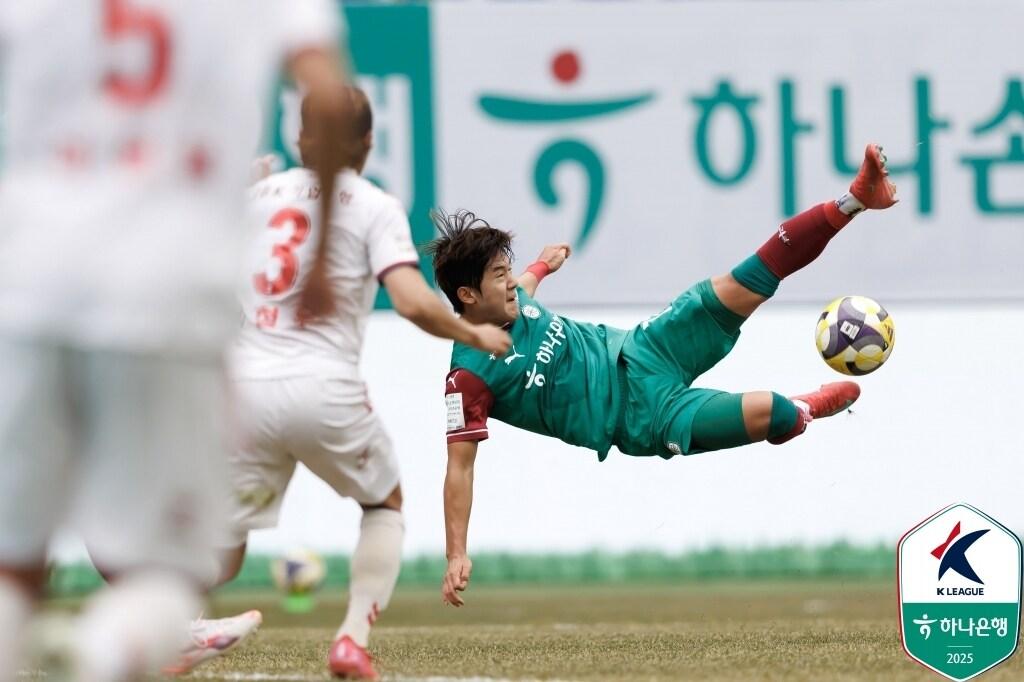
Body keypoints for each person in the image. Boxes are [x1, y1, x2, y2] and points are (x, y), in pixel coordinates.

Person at [0, 1, 351, 679]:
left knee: (12, 565)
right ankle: (97, 659)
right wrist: (325, 247)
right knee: (168, 577)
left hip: (31, 279)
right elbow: (332, 103)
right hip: (166, 292)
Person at [430, 144, 898, 607]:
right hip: (642, 419)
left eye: (509, 271)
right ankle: (804, 408)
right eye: (499, 275)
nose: (512, 282)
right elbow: (460, 469)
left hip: (644, 349)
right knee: (773, 412)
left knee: (745, 281)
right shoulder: (468, 377)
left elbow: (527, 284)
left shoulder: (514, 296)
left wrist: (541, 265)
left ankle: (855, 198)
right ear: (468, 295)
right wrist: (456, 554)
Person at [205, 86, 510, 680]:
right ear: (370, 144)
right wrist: (474, 335)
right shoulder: (372, 204)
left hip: (245, 391)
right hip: (324, 389)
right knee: (383, 503)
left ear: (299, 139)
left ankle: (154, 604)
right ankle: (351, 639)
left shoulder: (259, 194)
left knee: (223, 551)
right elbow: (413, 302)